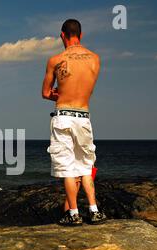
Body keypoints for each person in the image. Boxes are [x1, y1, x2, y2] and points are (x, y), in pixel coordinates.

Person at [42, 19, 107, 226]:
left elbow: (45, 93)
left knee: (68, 169)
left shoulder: (56, 60)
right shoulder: (95, 59)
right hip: (83, 116)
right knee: (86, 167)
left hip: (63, 116)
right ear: (81, 34)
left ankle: (73, 214)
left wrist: (59, 96)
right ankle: (94, 210)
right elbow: (87, 88)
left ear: (62, 35)